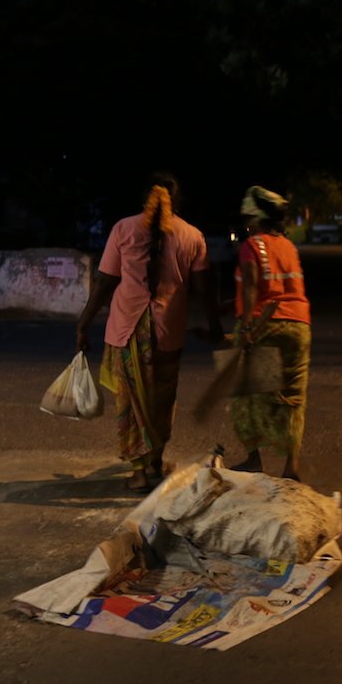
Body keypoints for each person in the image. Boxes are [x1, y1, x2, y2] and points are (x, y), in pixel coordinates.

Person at [75, 172, 223, 493]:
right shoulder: (193, 236)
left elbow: (104, 283)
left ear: (146, 199)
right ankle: (156, 462)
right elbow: (205, 289)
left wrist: (83, 324)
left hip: (127, 330)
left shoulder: (123, 229)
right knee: (162, 399)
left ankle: (139, 472)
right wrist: (215, 328)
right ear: (176, 201)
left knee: (132, 402)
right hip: (168, 331)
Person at [228, 186, 311, 481]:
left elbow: (251, 284)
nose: (247, 224)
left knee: (247, 396)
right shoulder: (288, 246)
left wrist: (248, 326)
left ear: (258, 218)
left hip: (266, 326)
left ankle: (253, 459)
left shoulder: (252, 245)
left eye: (250, 217)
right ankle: (292, 467)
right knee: (292, 396)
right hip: (299, 327)